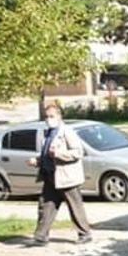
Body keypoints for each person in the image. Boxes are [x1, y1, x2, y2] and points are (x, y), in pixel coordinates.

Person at [28, 104, 92, 246]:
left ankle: (85, 233)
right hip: (50, 177)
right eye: (46, 117)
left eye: (51, 116)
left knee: (75, 206)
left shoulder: (66, 132)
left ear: (59, 116)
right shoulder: (48, 133)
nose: (48, 119)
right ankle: (41, 236)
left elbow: (78, 152)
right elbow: (47, 154)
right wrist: (38, 161)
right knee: (46, 206)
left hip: (67, 178)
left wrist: (58, 154)